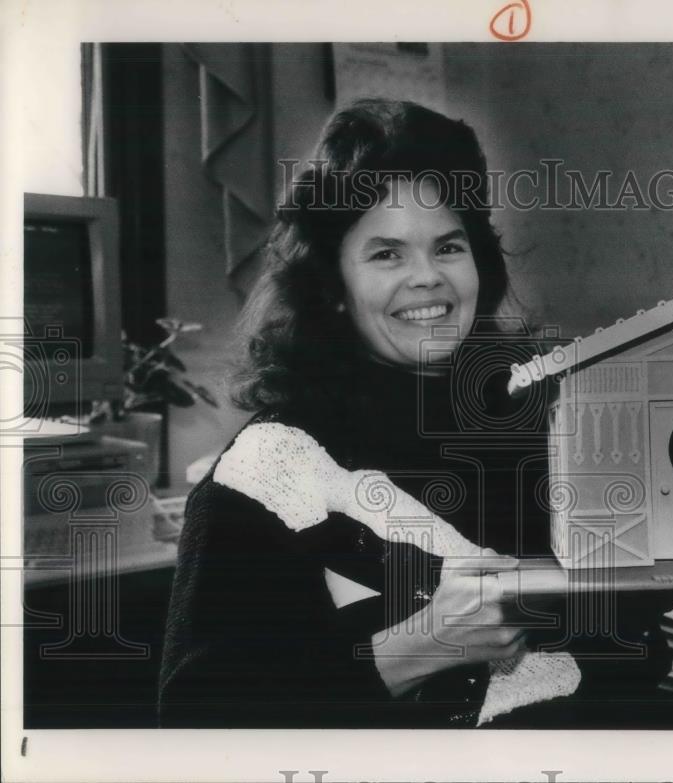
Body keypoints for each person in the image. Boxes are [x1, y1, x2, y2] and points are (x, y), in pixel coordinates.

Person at [157, 99, 583, 728]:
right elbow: (194, 720)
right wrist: (418, 648)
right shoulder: (274, 464)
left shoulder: (543, 411)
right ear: (331, 287)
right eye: (386, 254)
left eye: (448, 246)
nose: (426, 279)